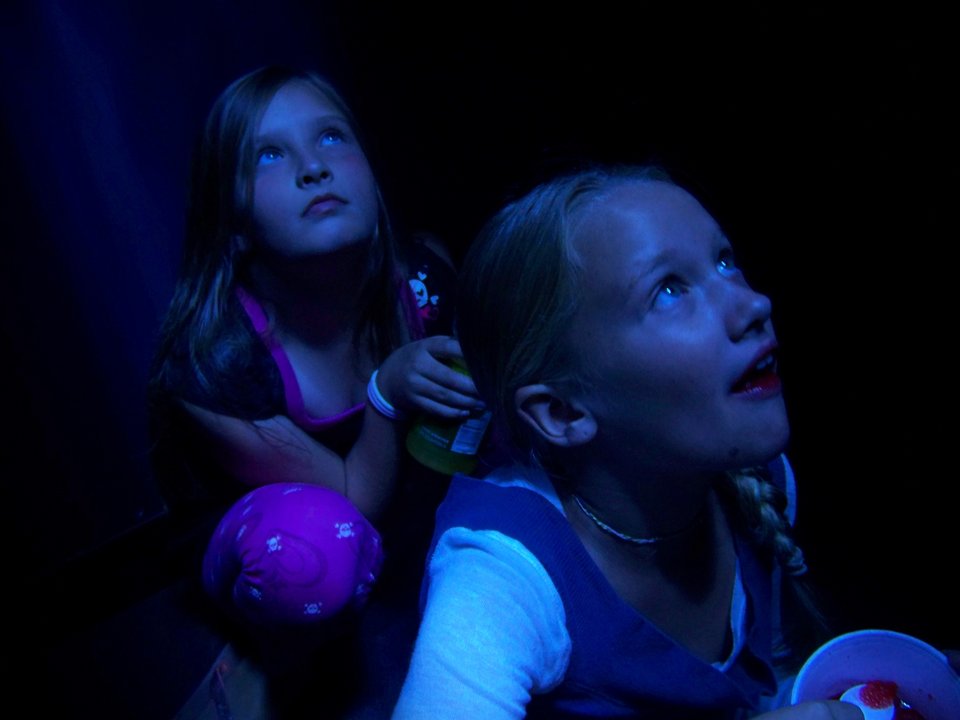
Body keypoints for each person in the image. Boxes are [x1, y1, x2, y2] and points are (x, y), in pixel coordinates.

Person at [391, 165, 866, 719]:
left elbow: (764, 677)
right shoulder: (502, 574)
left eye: (724, 261)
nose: (754, 304)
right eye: (668, 290)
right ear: (562, 412)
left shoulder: (761, 481)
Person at [147, 65, 482, 711]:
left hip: (397, 522)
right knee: (316, 552)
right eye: (268, 155)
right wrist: (387, 391)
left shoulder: (423, 281)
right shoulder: (215, 364)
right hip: (284, 535)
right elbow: (356, 500)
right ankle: (265, 664)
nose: (313, 168)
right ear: (232, 222)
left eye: (331, 137)